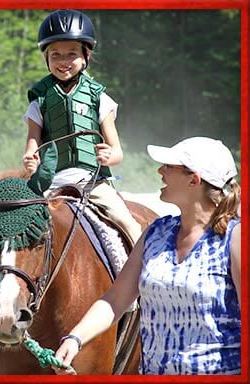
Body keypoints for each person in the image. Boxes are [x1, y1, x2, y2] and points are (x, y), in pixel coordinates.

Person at [51, 136, 241, 375]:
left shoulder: (234, 238)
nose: (160, 171)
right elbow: (114, 300)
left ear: (194, 180)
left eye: (169, 167)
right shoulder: (155, 233)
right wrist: (75, 339)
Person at [22, 9, 142, 245]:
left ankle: (144, 275)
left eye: (71, 54)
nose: (63, 61)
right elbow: (32, 142)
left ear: (86, 55)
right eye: (55, 54)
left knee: (129, 223)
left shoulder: (99, 97)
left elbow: (117, 151)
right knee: (16, 222)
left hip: (92, 182)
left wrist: (110, 156)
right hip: (51, 182)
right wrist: (30, 157)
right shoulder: (40, 99)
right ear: (46, 58)